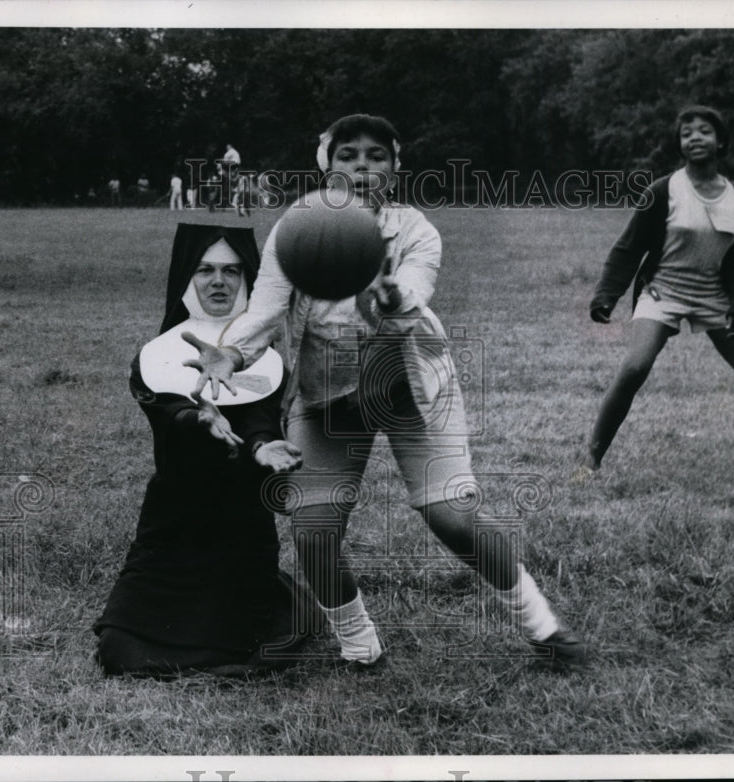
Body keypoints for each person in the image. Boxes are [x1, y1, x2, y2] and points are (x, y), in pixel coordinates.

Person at [183, 114, 590, 671]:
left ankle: (545, 628)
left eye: (377, 156)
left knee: (453, 518)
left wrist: (390, 293)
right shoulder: (298, 227)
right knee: (314, 530)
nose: (362, 166)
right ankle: (358, 640)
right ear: (327, 166)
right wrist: (230, 352)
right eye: (348, 155)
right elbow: (267, 307)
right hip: (328, 392)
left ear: (396, 170)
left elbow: (415, 292)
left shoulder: (416, 229)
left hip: (410, 386)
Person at [94, 223, 313, 678]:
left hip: (242, 525)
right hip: (174, 524)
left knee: (250, 645)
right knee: (120, 649)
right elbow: (166, 415)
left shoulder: (266, 357)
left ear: (249, 277)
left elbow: (259, 419)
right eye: (205, 270)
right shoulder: (154, 355)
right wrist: (200, 419)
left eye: (232, 270)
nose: (219, 281)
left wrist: (262, 446)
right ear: (185, 277)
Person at [584, 105, 734, 471]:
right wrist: (606, 295)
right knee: (633, 368)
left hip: (714, 297)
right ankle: (590, 460)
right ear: (680, 144)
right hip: (662, 293)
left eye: (704, 130)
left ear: (720, 141)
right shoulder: (662, 191)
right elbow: (629, 247)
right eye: (686, 132)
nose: (694, 137)